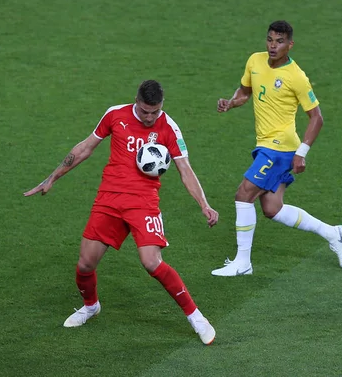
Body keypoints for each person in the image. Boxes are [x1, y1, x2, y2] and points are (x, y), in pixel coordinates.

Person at [24, 80, 219, 345]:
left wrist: (204, 205)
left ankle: (196, 316)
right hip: (109, 199)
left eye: (155, 112)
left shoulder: (169, 128)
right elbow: (85, 148)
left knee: (152, 262)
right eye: (144, 111)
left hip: (143, 202)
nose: (150, 118)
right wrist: (52, 177)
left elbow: (186, 170)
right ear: (135, 101)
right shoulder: (115, 114)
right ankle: (91, 306)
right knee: (85, 264)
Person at [211, 20, 342, 277]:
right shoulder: (255, 60)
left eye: (280, 41)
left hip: (281, 147)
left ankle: (243, 263)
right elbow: (244, 92)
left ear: (290, 44)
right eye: (270, 40)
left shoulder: (296, 76)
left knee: (244, 194)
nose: (273, 46)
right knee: (272, 209)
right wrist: (230, 103)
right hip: (264, 144)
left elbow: (316, 117)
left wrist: (302, 152)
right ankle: (334, 233)